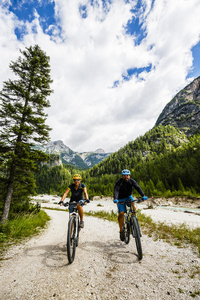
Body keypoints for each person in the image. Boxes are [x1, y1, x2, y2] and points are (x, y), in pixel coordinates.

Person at [114, 169, 148, 241]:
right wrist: (116, 198)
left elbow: (137, 187)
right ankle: (121, 231)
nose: (126, 177)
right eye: (124, 175)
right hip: (120, 199)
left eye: (127, 175)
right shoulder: (119, 182)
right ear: (122, 176)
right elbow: (116, 190)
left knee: (133, 206)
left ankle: (134, 220)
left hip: (128, 197)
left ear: (129, 175)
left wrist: (143, 195)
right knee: (121, 213)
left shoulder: (132, 181)